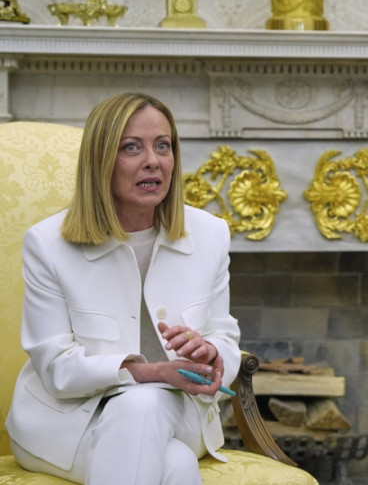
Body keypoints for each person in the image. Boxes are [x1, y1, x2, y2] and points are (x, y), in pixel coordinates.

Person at [5, 92, 241, 484]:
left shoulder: (210, 234)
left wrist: (212, 354)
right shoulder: (48, 244)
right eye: (131, 147)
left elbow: (226, 337)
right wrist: (151, 372)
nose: (153, 161)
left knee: (142, 405)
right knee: (175, 464)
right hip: (66, 424)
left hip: (177, 412)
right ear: (101, 161)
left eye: (162, 145)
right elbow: (57, 368)